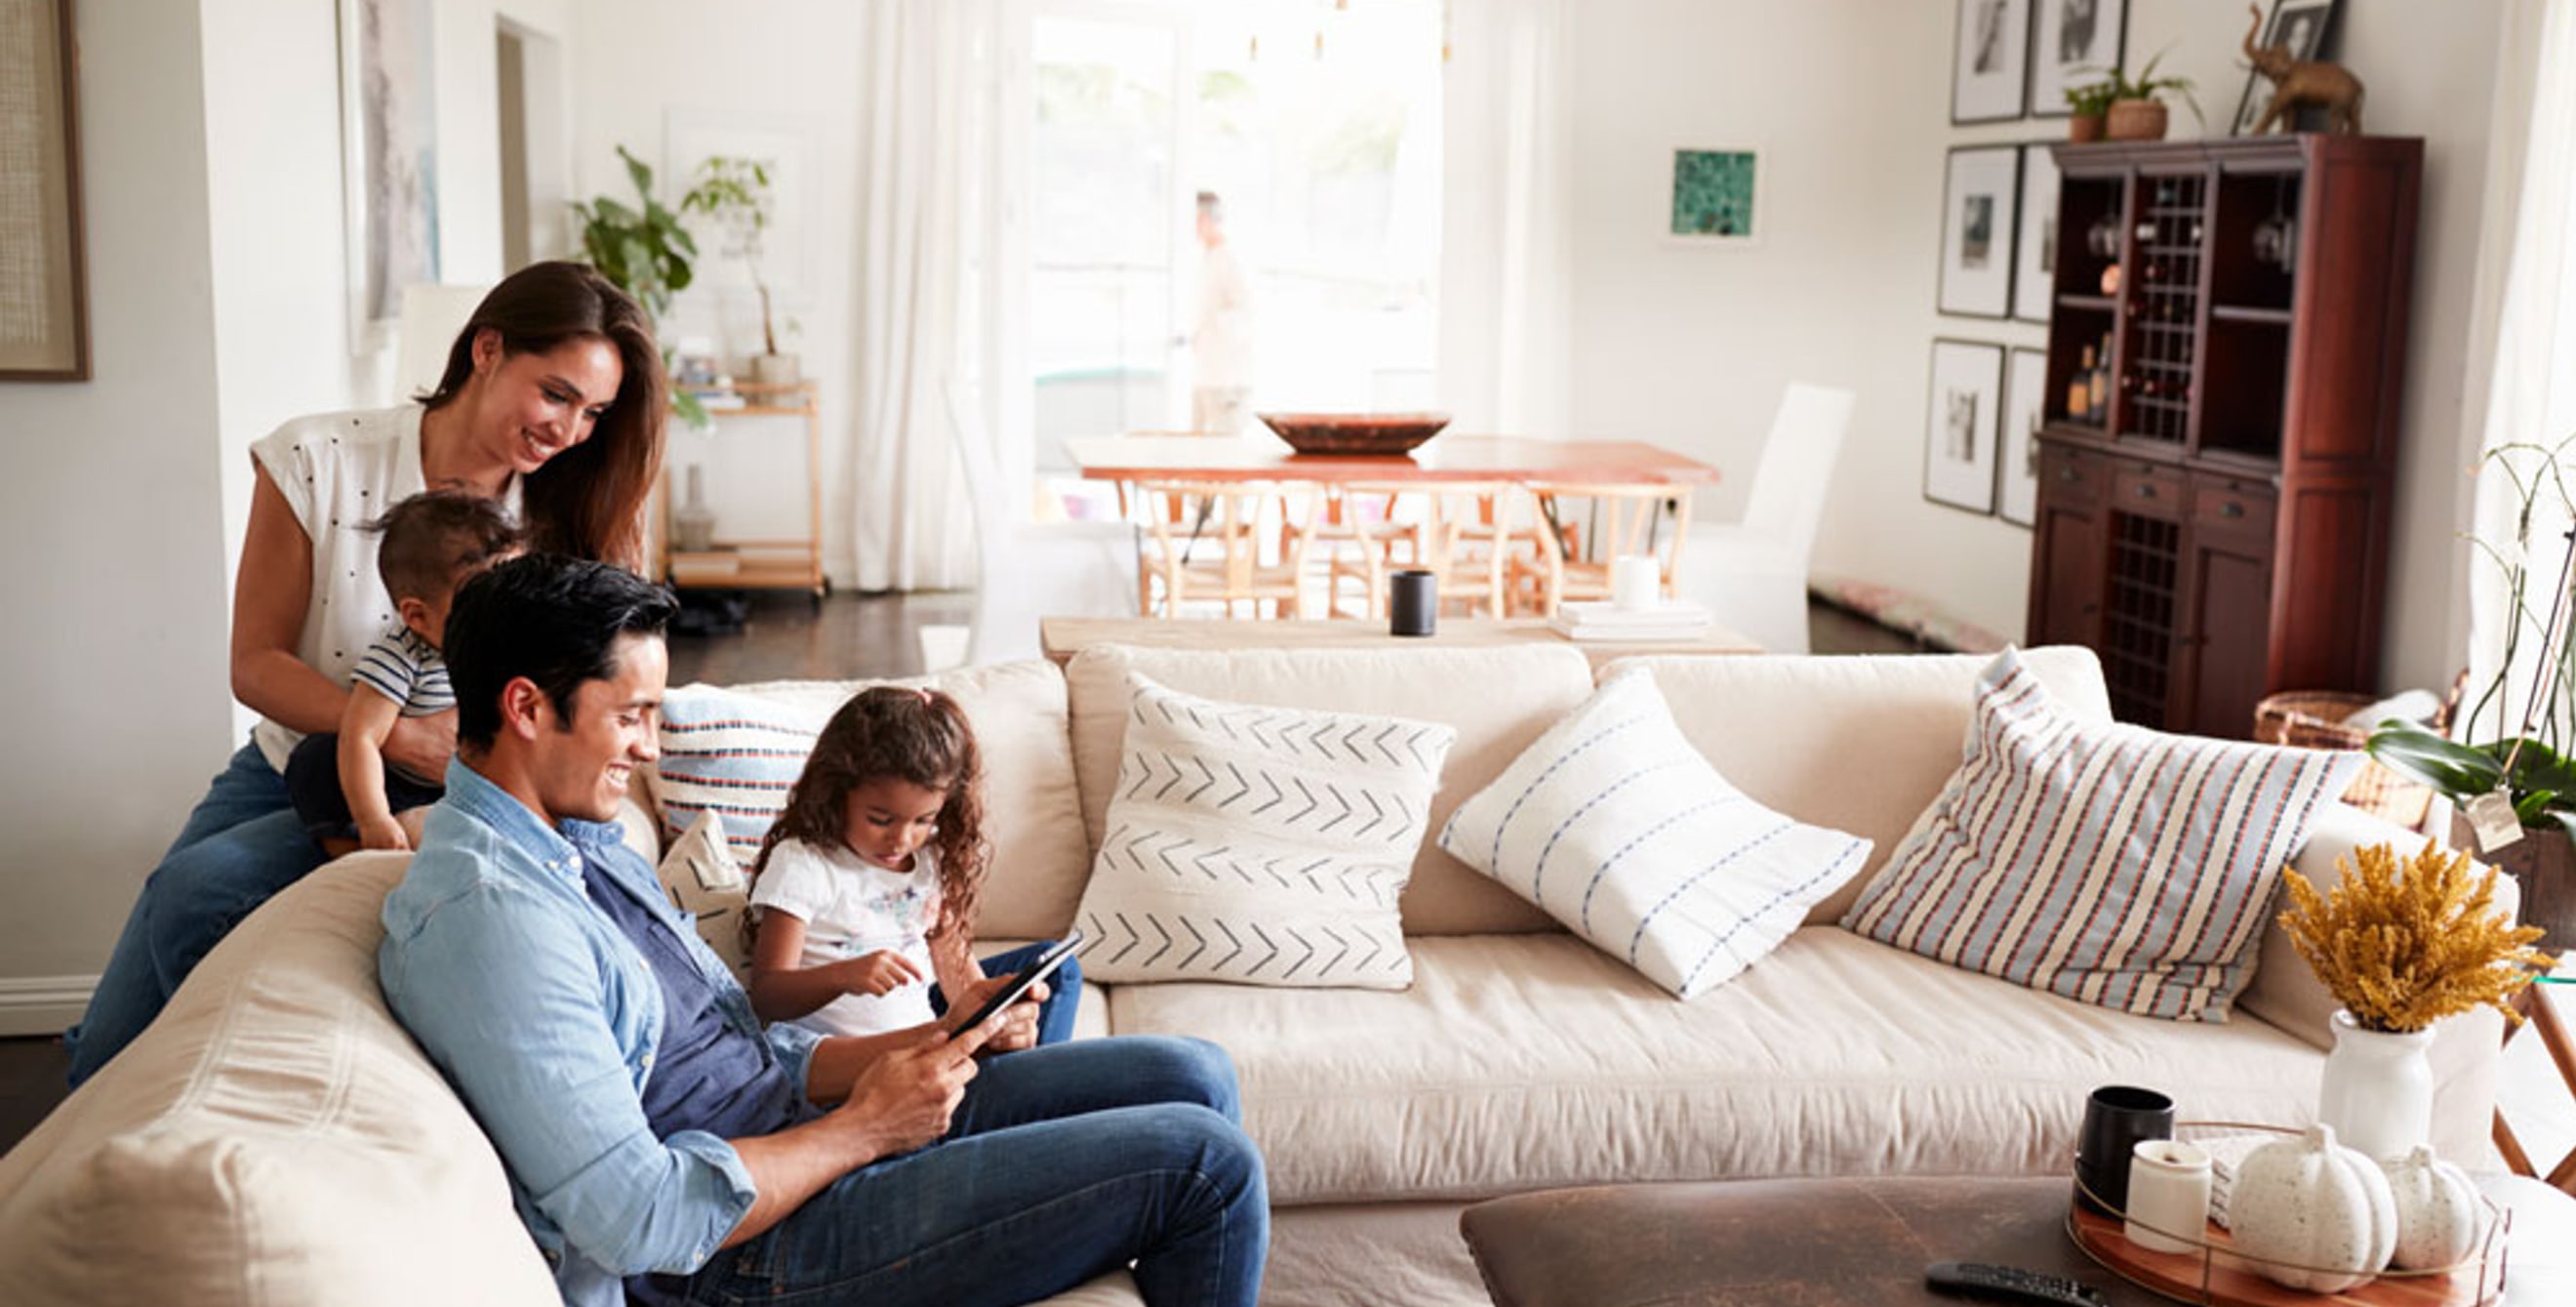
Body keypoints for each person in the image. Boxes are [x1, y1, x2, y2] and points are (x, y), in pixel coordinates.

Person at [380, 554, 1267, 1307]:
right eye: (631, 714)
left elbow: (743, 1047)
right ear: (529, 708)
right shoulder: (492, 921)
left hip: (803, 1126)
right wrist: (869, 1128)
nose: (649, 747)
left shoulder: (582, 841)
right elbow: (637, 1218)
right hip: (742, 1248)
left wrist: (940, 1037)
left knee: (1193, 1070)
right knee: (1204, 1165)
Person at [65, 260, 667, 1085]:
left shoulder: (566, 511)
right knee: (116, 1027)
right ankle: (123, 1118)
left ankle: (214, 1098)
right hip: (298, 755)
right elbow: (256, 663)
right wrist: (401, 732)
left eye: (594, 411)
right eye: (556, 394)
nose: (570, 430)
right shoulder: (319, 458)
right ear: (486, 349)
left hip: (457, 789)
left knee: (198, 894)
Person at [745, 686, 1081, 1045]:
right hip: (862, 1063)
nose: (902, 840)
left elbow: (958, 974)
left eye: (923, 820)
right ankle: (1031, 1084)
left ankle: (1027, 1075)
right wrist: (843, 975)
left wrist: (992, 1023)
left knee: (1057, 972)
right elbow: (767, 995)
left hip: (928, 1038)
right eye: (880, 819)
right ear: (836, 791)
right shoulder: (804, 864)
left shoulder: (928, 860)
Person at [281, 489, 522, 854]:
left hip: (475, 784)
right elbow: (361, 737)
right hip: (402, 789)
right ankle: (353, 850)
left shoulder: (513, 646)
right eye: (480, 603)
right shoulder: (401, 657)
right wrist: (373, 818)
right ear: (417, 616)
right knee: (319, 757)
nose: (504, 616)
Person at [1190, 190, 1255, 435]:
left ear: (1204, 219)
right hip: (1206, 373)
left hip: (1227, 378)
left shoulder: (1232, 257)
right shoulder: (1207, 257)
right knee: (1197, 449)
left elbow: (1246, 312)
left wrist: (1214, 328)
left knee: (1223, 450)